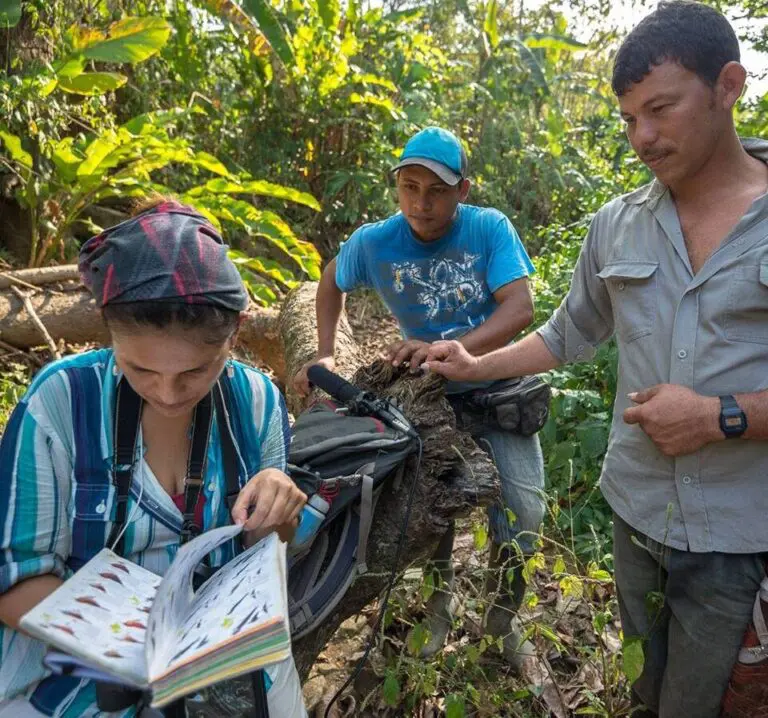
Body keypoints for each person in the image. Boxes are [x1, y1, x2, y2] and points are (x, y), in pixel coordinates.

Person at [423, 3, 768, 716]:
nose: (642, 136)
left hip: (744, 538)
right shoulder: (618, 224)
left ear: (728, 86)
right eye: (628, 118)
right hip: (639, 515)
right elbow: (568, 332)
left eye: (661, 109)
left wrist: (719, 416)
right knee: (648, 690)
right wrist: (471, 362)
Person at [0, 199, 308, 717]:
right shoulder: (60, 402)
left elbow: (266, 556)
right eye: (140, 370)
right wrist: (140, 645)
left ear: (234, 337)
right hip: (69, 669)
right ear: (108, 336)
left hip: (222, 660)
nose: (167, 394)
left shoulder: (257, 403)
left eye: (195, 372)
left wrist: (278, 513)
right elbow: (15, 583)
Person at [293, 126, 546, 666]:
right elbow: (330, 280)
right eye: (409, 188)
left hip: (497, 388)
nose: (421, 203)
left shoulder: (487, 229)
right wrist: (326, 351)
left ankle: (503, 625)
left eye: (435, 190)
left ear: (463, 191)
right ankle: (439, 608)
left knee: (523, 513)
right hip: (427, 398)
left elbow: (519, 308)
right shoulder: (376, 241)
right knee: (431, 511)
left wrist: (454, 349)